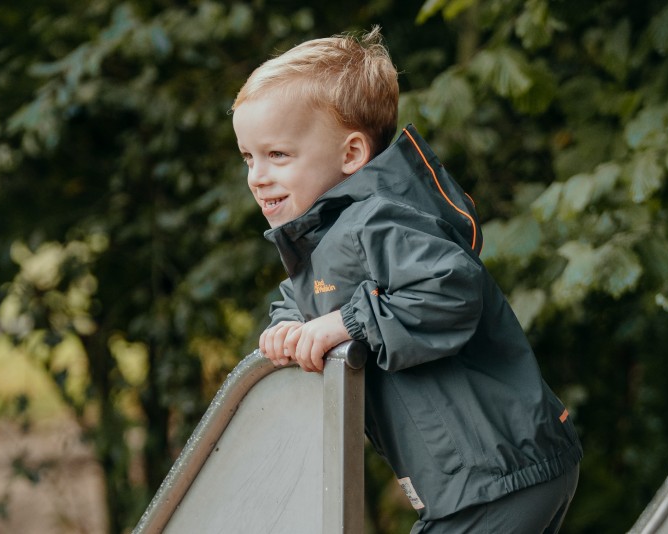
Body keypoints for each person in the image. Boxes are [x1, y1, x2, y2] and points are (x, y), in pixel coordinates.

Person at [230, 26, 582, 534]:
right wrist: (286, 328)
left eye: (278, 155)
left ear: (351, 155)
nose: (257, 176)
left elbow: (451, 287)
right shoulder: (326, 241)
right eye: (249, 157)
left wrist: (345, 323)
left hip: (497, 473)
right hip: (488, 479)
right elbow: (302, 300)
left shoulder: (378, 221)